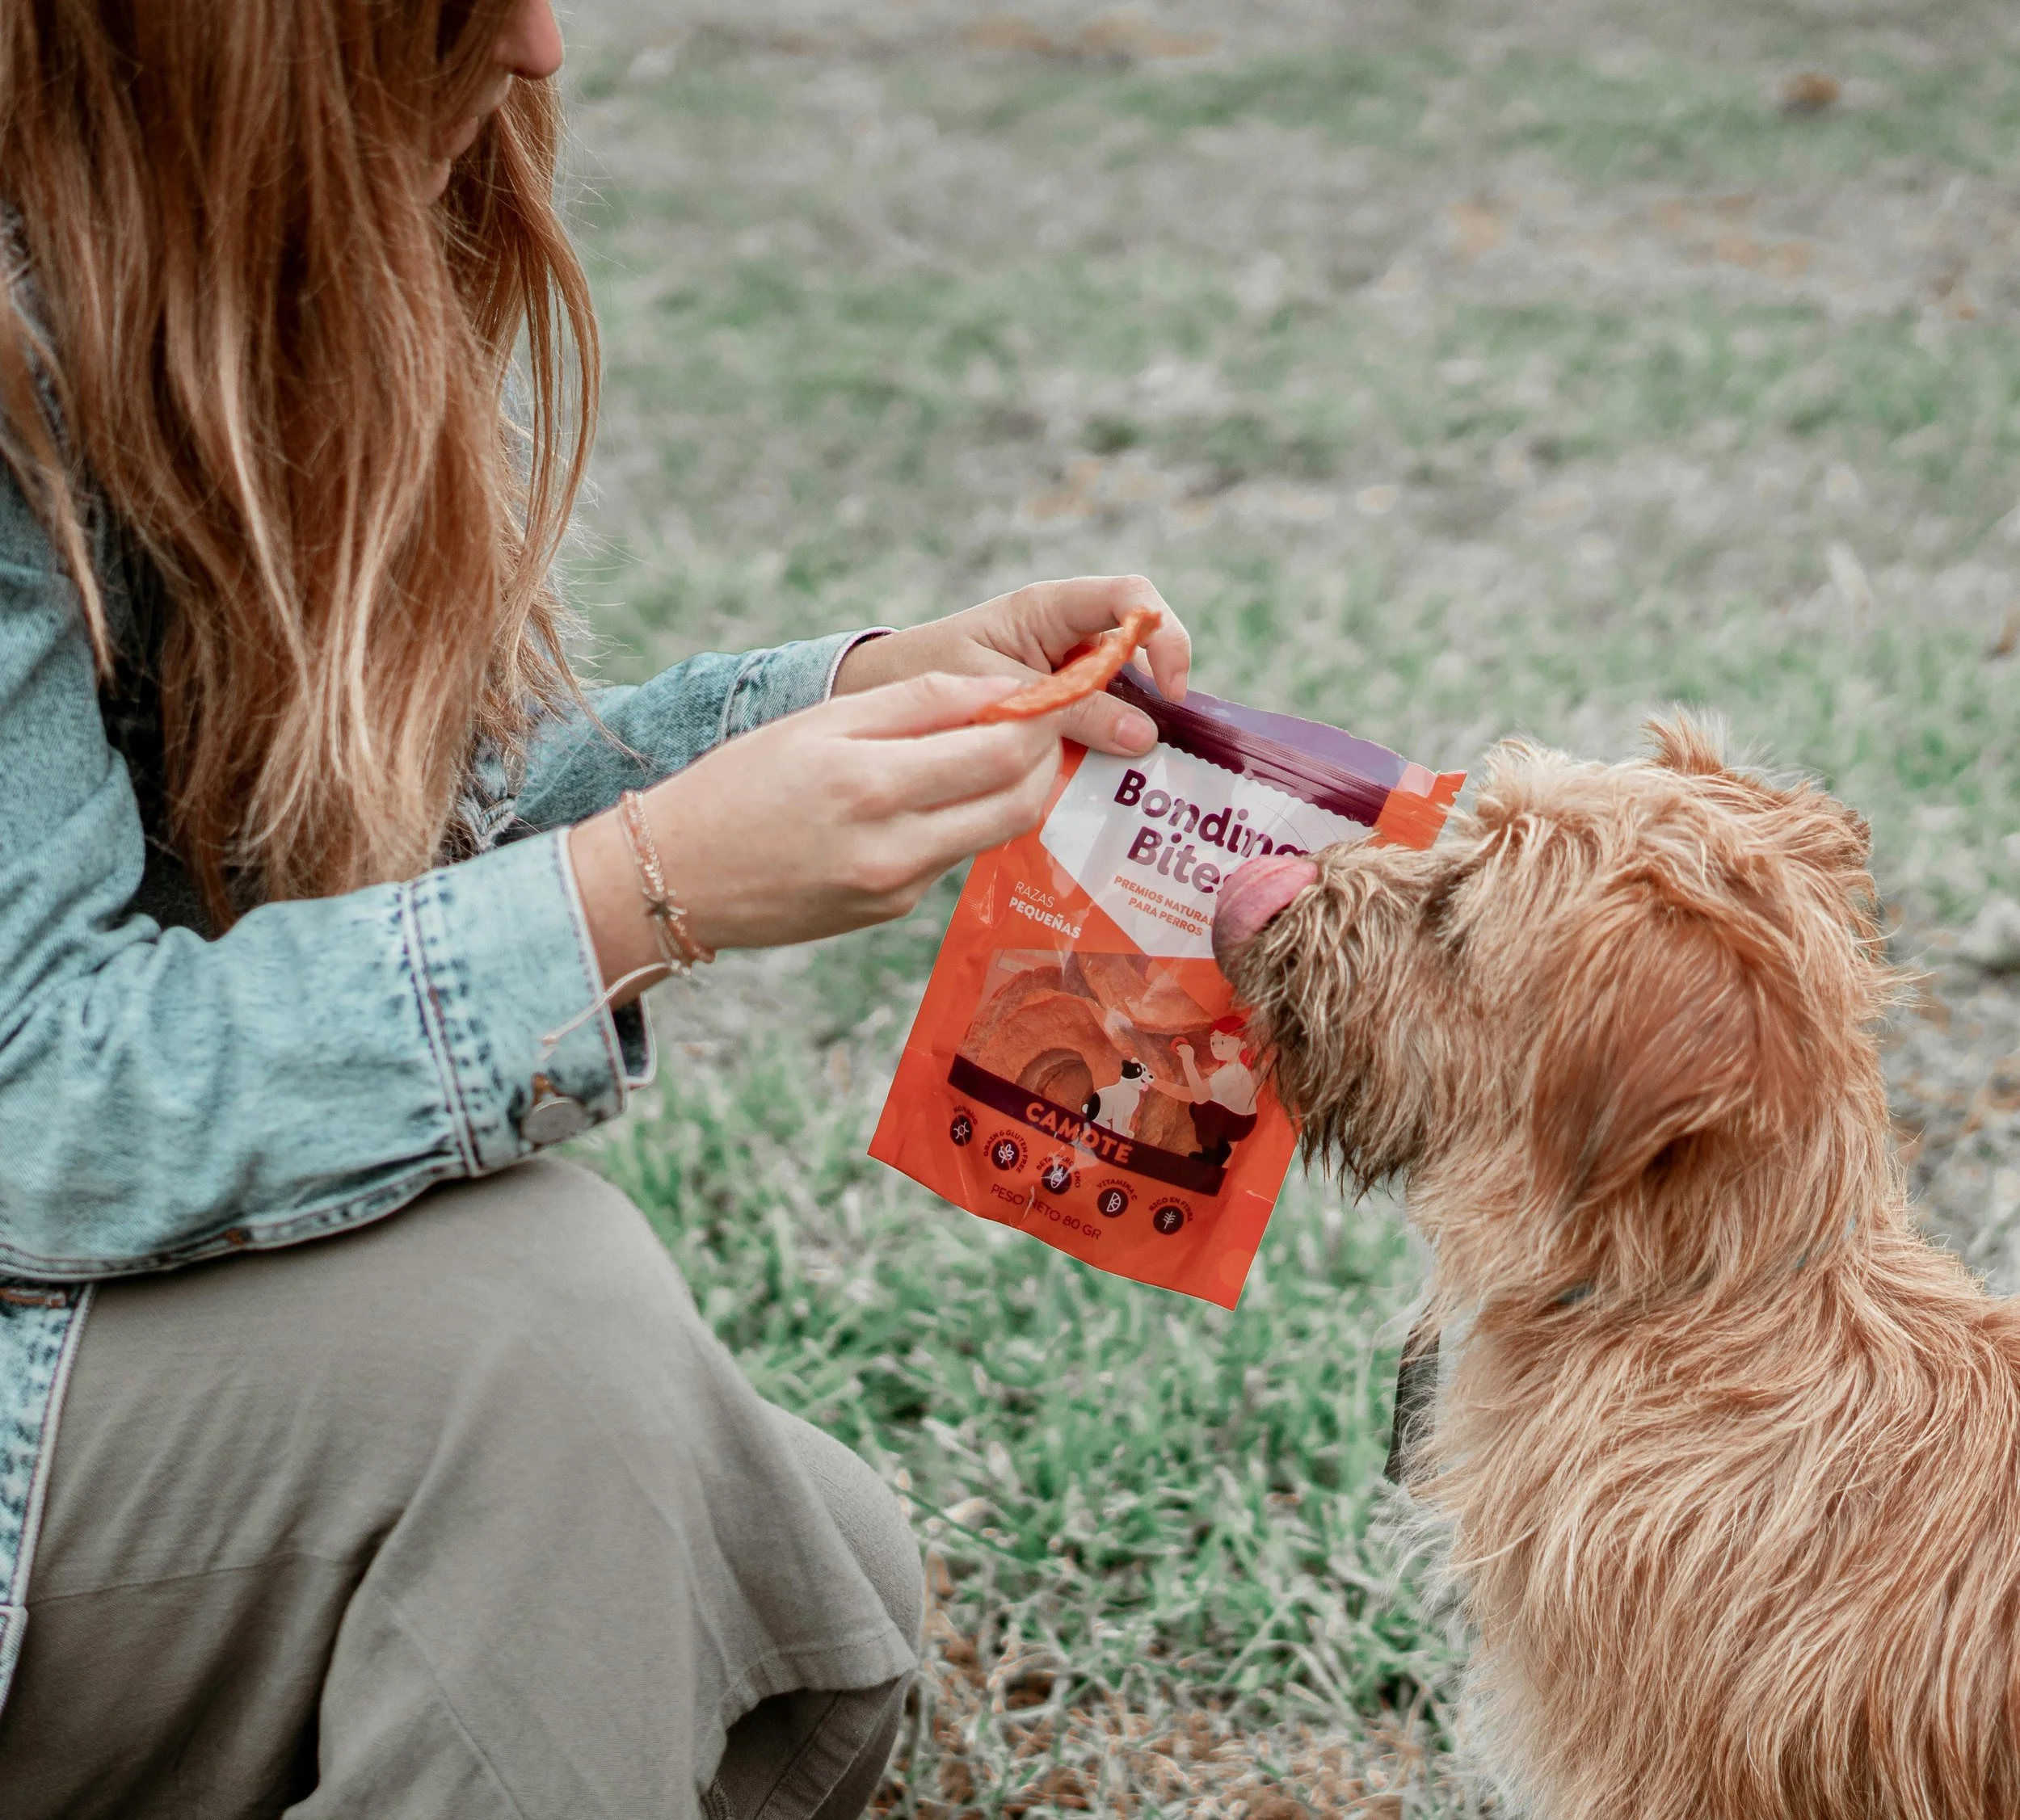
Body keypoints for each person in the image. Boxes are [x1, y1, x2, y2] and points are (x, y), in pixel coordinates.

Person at [0, 3, 1191, 1816]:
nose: (545, 50)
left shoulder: (161, 288)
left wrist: (858, 693)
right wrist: (640, 893)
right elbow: (33, 1097)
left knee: (798, 1578)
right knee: (545, 1356)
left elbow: (344, 833)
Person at [1172, 1017, 1260, 1166]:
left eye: (1223, 1041)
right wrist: (1152, 1081)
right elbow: (1191, 1093)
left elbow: (1199, 1096)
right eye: (1214, 1042)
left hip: (1241, 1123)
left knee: (1204, 1107)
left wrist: (1188, 1061)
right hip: (1237, 1118)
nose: (1217, 1047)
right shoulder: (1228, 1068)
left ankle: (1212, 1156)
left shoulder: (1235, 1071)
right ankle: (1220, 1149)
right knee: (1197, 1107)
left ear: (1243, 1044)